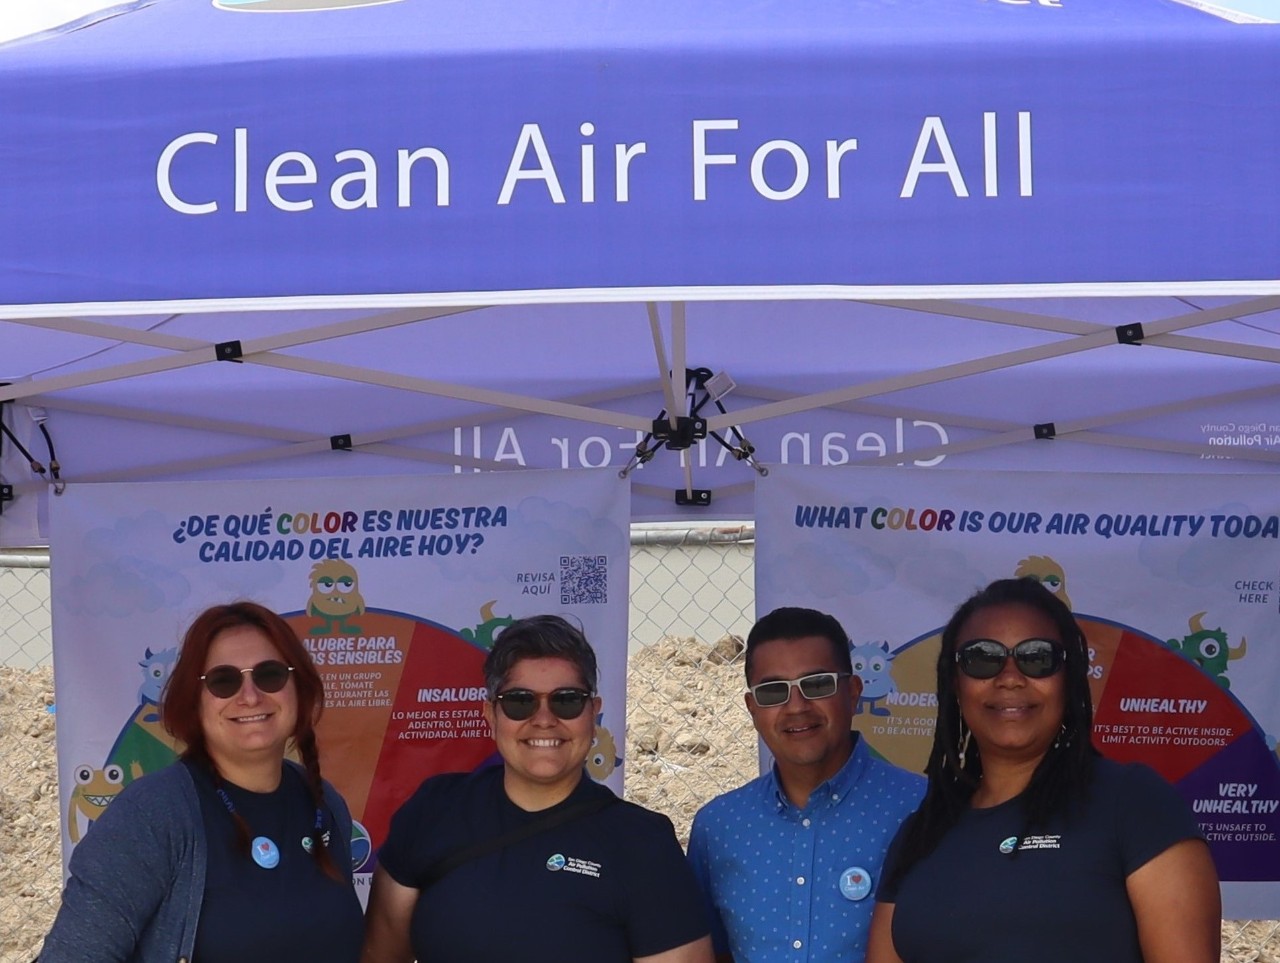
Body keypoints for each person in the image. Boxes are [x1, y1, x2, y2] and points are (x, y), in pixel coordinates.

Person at [867, 578, 1221, 963]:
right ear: (956, 683)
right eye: (982, 658)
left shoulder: (1134, 804)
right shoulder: (921, 833)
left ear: (1068, 678)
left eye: (1037, 657)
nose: (1010, 677)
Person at [361, 614, 713, 963]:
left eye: (566, 700)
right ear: (491, 715)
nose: (544, 719)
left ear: (593, 714)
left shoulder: (642, 845)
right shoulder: (434, 813)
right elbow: (382, 955)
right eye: (520, 701)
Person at [40, 601, 362, 963]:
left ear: (299, 687)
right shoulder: (151, 816)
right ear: (193, 702)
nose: (250, 696)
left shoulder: (324, 802)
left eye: (270, 675)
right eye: (224, 681)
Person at [686, 607, 925, 963]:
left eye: (817, 685)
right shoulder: (718, 827)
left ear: (853, 692)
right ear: (752, 708)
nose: (796, 706)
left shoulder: (923, 809)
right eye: (773, 691)